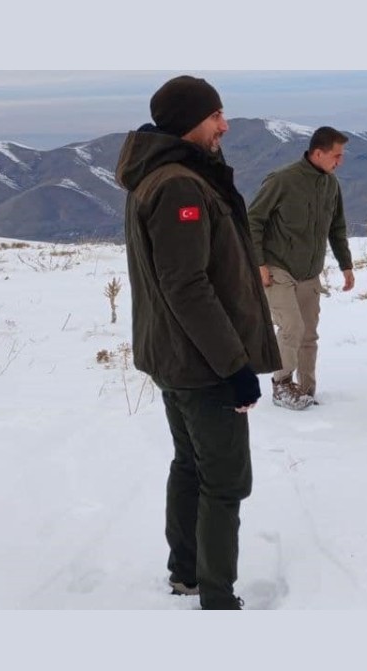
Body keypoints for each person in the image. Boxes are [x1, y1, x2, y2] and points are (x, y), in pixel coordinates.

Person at [116, 75, 281, 609]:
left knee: (190, 464)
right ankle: (216, 596)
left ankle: (186, 571)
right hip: (203, 362)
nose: (225, 125)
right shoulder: (180, 185)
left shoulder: (161, 176)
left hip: (177, 355)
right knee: (225, 481)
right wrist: (233, 363)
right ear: (192, 121)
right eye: (216, 116)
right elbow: (186, 284)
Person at [248, 126, 355, 410]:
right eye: (336, 155)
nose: (340, 161)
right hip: (277, 266)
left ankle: (306, 389)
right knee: (292, 327)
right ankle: (281, 385)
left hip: (310, 271)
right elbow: (253, 220)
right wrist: (259, 263)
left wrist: (346, 265)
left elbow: (337, 227)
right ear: (317, 153)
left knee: (308, 333)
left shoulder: (331, 184)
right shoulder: (282, 180)